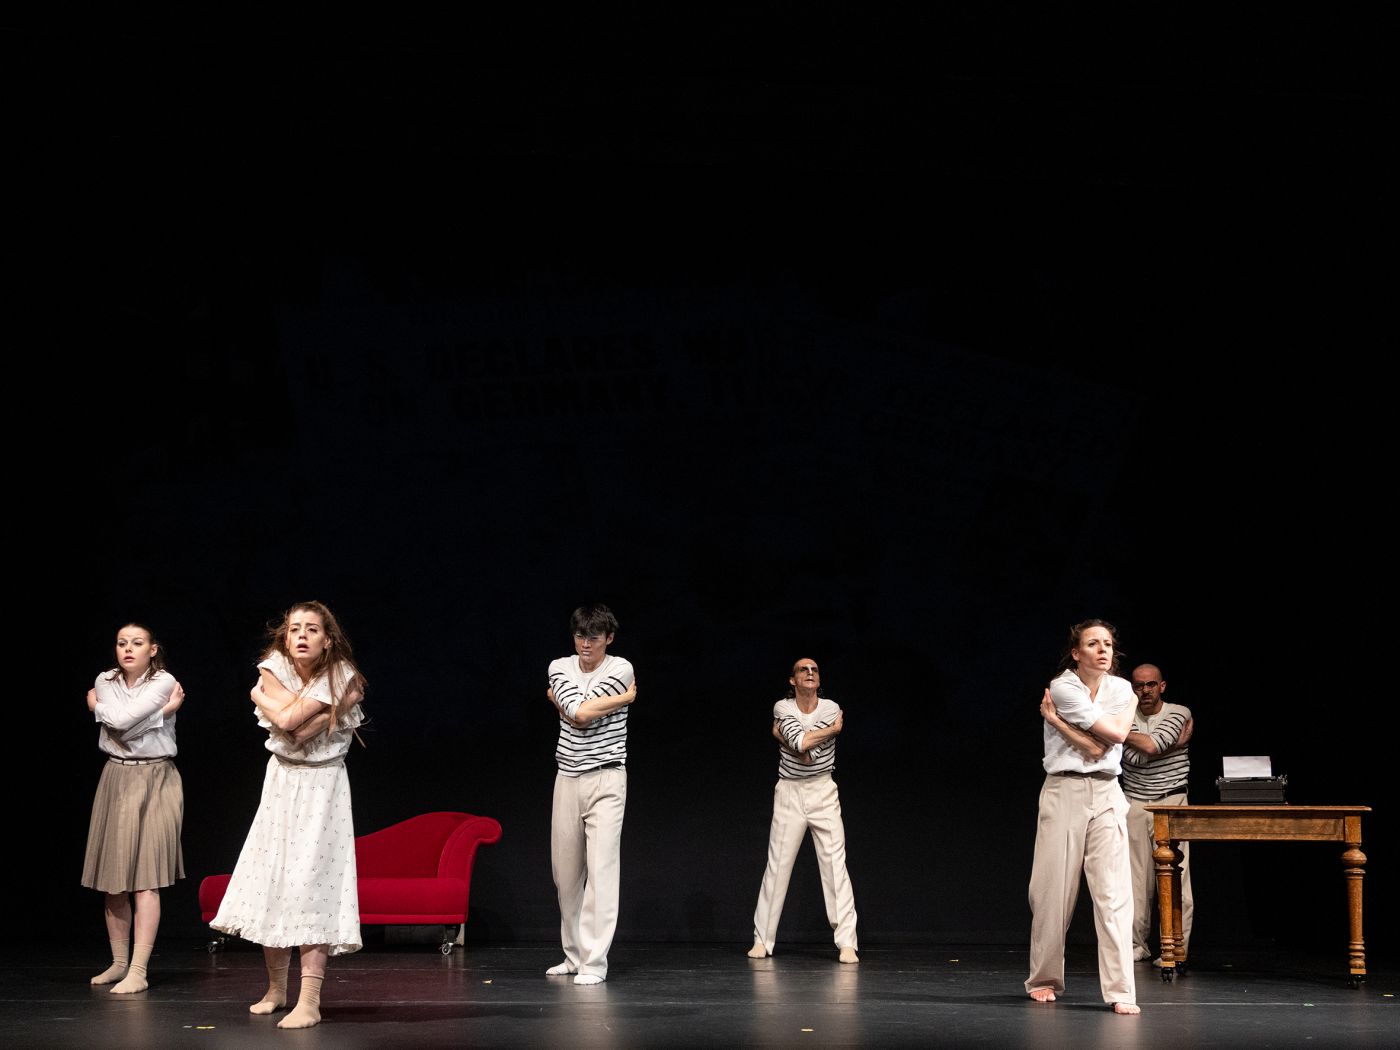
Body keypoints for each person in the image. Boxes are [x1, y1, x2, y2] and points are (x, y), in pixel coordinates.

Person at [211, 601, 366, 1029]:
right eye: (295, 628)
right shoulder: (273, 666)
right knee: (273, 877)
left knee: (311, 883)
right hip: (281, 782)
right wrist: (316, 707)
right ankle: (276, 988)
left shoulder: (341, 674)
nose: (301, 635)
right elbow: (288, 723)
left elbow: (294, 727)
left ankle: (309, 1000)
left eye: (312, 629)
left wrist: (263, 698)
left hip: (322, 786)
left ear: (327, 639)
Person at [1029, 619, 1140, 1015]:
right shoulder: (1063, 687)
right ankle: (1043, 979)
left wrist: (1057, 722)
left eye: (1107, 643)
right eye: (1093, 644)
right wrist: (1075, 724)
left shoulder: (1121, 689)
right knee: (1052, 891)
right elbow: (1100, 743)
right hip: (1065, 789)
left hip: (1108, 790)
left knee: (1113, 894)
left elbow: (1113, 740)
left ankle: (1121, 989)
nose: (1103, 650)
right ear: (1076, 653)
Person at [83, 623, 186, 993]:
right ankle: (119, 963)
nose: (128, 649)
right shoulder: (105, 680)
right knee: (114, 881)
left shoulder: (163, 681)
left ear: (152, 649)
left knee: (145, 880)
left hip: (156, 777)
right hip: (116, 777)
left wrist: (97, 708)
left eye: (137, 643)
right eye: (122, 643)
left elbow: (122, 724)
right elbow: (120, 727)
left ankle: (138, 970)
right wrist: (163, 713)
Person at [544, 603, 636, 985]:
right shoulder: (559, 667)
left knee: (601, 872)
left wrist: (562, 702)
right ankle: (574, 956)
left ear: (608, 639)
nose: (585, 644)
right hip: (567, 777)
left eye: (594, 637)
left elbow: (578, 715)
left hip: (606, 778)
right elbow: (581, 715)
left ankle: (595, 962)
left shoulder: (620, 668)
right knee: (565, 875)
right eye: (580, 636)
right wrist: (623, 700)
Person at [747, 658, 859, 964]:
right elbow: (800, 743)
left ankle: (847, 942)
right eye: (803, 670)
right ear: (793, 680)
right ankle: (762, 939)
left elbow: (808, 754)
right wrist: (830, 732)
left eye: (815, 670)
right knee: (777, 865)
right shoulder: (782, 707)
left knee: (835, 866)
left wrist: (782, 737)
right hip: (790, 791)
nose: (810, 673)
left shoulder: (830, 708)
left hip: (822, 790)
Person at [1122, 663, 1194, 963]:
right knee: (1134, 881)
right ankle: (1136, 945)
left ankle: (1176, 949)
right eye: (1139, 685)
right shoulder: (1124, 715)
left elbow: (1150, 748)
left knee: (1177, 879)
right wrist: (1173, 746)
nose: (1145, 690)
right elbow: (1136, 757)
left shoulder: (1179, 712)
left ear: (1161, 686)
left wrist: (1121, 735)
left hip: (1172, 800)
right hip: (1134, 802)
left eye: (1151, 684)